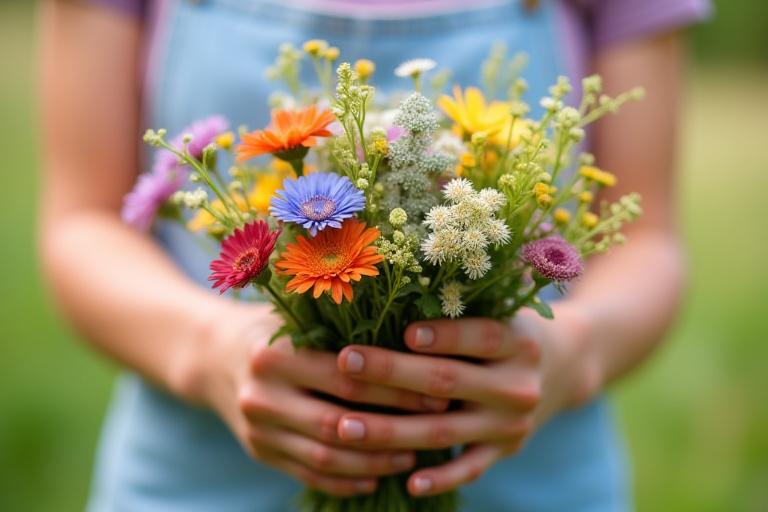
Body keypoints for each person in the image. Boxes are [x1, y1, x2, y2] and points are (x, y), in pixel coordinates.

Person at [38, 0, 711, 510]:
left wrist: (569, 357)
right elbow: (82, 223)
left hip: (532, 479)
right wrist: (209, 347)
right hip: (197, 482)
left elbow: (647, 240)